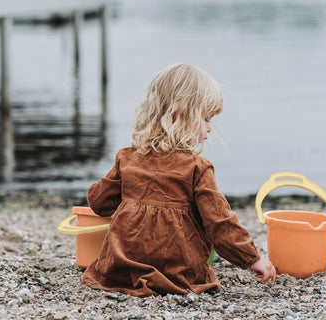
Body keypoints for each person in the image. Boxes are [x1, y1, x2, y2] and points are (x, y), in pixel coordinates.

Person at [82, 63, 276, 297]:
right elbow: (220, 222)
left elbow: (99, 203)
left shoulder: (127, 158)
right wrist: (251, 259)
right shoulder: (197, 168)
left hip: (122, 270)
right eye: (206, 119)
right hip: (181, 274)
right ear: (180, 115)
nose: (209, 129)